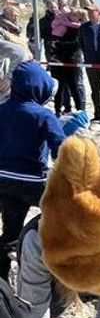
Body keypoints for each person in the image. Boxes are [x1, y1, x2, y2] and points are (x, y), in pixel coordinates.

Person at [0, 62, 65, 279]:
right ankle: (54, 260)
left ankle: (2, 277)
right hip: (33, 180)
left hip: (3, 180)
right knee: (62, 214)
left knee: (10, 230)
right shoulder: (43, 115)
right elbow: (61, 149)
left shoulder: (1, 109)